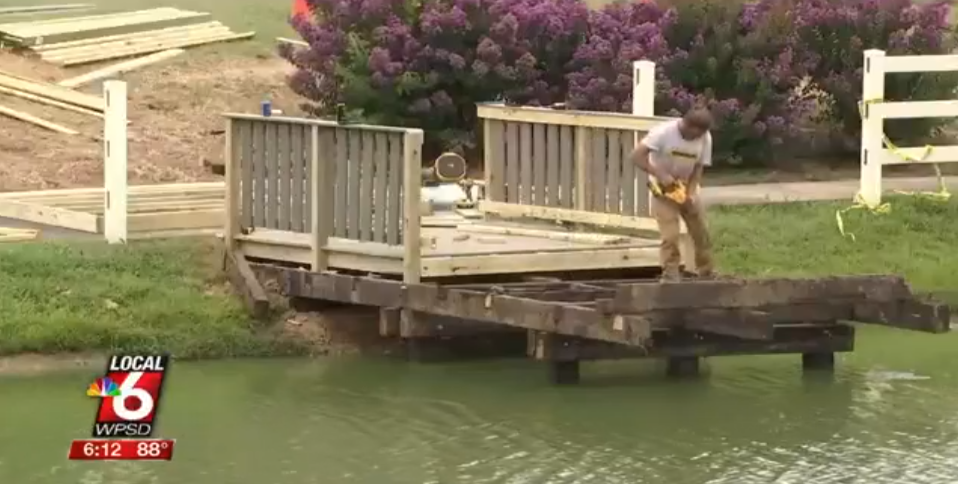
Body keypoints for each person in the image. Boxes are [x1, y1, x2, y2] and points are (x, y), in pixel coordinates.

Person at [631, 108, 715, 281]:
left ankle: (706, 271)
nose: (696, 137)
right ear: (686, 125)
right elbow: (636, 156)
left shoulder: (705, 138)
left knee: (701, 232)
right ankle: (670, 273)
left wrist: (691, 193)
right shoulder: (663, 133)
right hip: (663, 189)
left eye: (700, 134)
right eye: (694, 133)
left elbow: (698, 168)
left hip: (686, 186)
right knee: (670, 235)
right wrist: (659, 174)